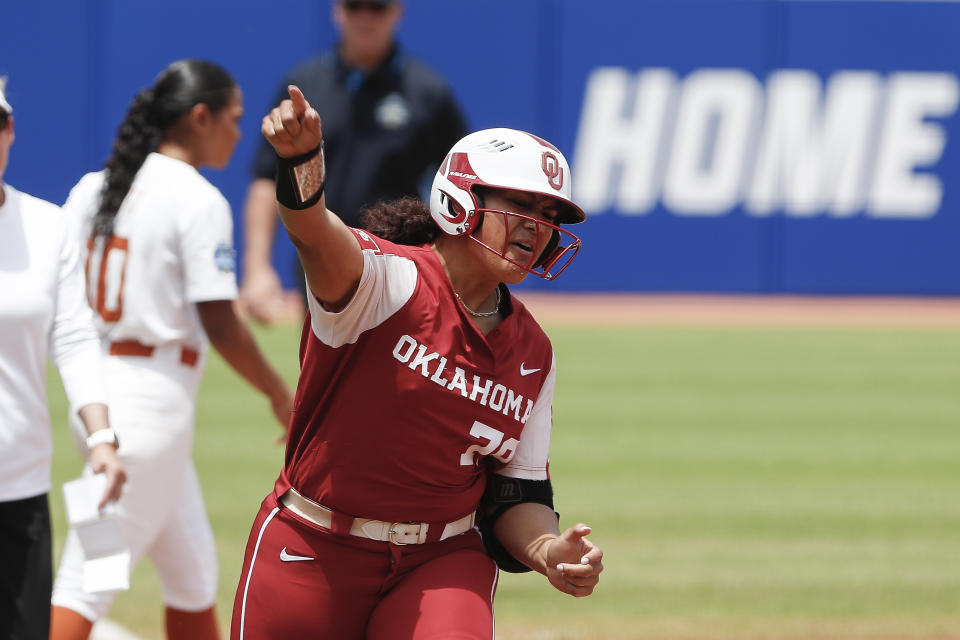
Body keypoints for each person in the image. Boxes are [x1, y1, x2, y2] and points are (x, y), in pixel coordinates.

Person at [230, 87, 603, 639]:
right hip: (314, 548)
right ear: (459, 200)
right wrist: (301, 161)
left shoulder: (533, 352)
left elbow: (517, 496)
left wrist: (549, 551)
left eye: (549, 215)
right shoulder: (388, 281)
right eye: (519, 205)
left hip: (440, 561)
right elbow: (310, 229)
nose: (536, 225)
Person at [49, 60, 295, 640]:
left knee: (191, 573)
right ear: (199, 117)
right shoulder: (196, 198)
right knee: (89, 578)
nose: (241, 132)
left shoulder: (93, 186)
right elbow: (221, 321)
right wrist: (278, 391)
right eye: (233, 119)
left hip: (99, 399)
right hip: (146, 411)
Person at [239, 0, 467, 324]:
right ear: (337, 10)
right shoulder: (305, 85)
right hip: (321, 257)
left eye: (376, 7)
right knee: (329, 371)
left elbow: (462, 184)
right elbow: (267, 178)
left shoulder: (427, 92)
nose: (364, 17)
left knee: (402, 369)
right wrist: (257, 268)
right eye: (354, 6)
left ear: (396, 12)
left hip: (400, 261)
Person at [0, 77, 126, 640]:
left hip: (20, 481)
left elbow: (74, 339)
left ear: (11, 131)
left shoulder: (48, 226)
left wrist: (101, 440)